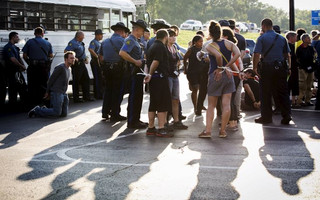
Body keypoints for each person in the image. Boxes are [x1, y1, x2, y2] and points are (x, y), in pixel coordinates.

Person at [199, 20, 240, 138]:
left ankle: (208, 131)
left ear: (210, 33)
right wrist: (227, 67)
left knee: (211, 104)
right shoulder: (228, 43)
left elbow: (217, 56)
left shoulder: (209, 45)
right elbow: (237, 54)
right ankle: (223, 131)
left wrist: (219, 67)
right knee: (226, 104)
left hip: (215, 74)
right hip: (228, 75)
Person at [253, 18, 292, 125]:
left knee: (265, 93)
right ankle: (286, 115)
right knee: (283, 92)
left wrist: (254, 68)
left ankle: (266, 117)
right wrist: (289, 68)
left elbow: (256, 54)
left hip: (267, 67)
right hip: (280, 67)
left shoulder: (262, 38)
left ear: (263, 26)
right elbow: (287, 55)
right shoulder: (281, 38)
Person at [119, 19, 149, 129]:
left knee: (138, 97)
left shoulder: (136, 40)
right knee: (134, 97)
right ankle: (132, 121)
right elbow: (122, 52)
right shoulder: (130, 40)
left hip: (138, 72)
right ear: (137, 30)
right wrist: (135, 61)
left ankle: (136, 119)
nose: (143, 33)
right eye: (142, 31)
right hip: (133, 72)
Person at [144, 29, 173, 137]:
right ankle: (161, 128)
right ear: (165, 37)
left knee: (153, 103)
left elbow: (148, 61)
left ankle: (151, 127)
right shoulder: (161, 47)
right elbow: (156, 61)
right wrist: (150, 74)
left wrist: (148, 75)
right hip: (160, 78)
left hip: (154, 79)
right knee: (162, 103)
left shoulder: (151, 46)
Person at [28, 51, 75, 118]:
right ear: (66, 59)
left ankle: (45, 110)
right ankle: (37, 110)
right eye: (71, 58)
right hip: (57, 92)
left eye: (73, 58)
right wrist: (47, 92)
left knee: (63, 114)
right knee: (56, 113)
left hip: (63, 93)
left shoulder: (69, 69)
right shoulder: (60, 68)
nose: (73, 59)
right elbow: (51, 80)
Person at [99, 22, 129, 121]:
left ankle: (105, 112)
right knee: (117, 91)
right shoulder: (122, 41)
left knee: (108, 90)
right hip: (118, 69)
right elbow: (127, 54)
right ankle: (115, 113)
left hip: (107, 68)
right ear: (122, 32)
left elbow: (101, 57)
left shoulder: (105, 41)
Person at [22, 27, 53, 106]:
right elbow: (51, 55)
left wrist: (29, 62)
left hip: (33, 67)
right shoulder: (47, 43)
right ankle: (44, 102)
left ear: (34, 34)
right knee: (44, 84)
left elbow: (24, 55)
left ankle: (33, 103)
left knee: (32, 85)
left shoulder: (29, 42)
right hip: (43, 67)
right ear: (43, 34)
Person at [222, 27, 244, 131]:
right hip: (236, 75)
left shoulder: (227, 46)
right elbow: (239, 61)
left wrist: (237, 71)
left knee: (228, 100)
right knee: (233, 100)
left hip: (232, 75)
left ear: (225, 36)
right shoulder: (234, 46)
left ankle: (231, 122)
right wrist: (241, 71)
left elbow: (231, 61)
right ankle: (233, 121)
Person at [166, 29, 188, 129]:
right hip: (167, 76)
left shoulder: (174, 47)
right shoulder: (164, 48)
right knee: (166, 99)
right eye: (171, 36)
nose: (174, 37)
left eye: (174, 36)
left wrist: (179, 64)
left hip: (175, 75)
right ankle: (165, 121)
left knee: (175, 98)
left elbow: (179, 58)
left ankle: (176, 120)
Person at [65, 31, 93, 103]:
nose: (83, 38)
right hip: (77, 64)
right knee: (76, 81)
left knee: (86, 79)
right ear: (78, 36)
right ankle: (76, 98)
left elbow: (83, 52)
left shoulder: (80, 43)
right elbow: (66, 51)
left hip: (82, 63)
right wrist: (74, 58)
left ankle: (87, 96)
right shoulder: (72, 43)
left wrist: (86, 58)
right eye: (82, 37)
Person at [3, 32, 27, 107]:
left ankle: (20, 104)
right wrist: (21, 66)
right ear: (13, 37)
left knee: (20, 87)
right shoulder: (8, 47)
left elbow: (18, 58)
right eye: (17, 37)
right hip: (12, 70)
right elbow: (12, 59)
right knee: (14, 88)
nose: (18, 38)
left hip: (17, 70)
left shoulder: (14, 47)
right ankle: (13, 105)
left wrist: (22, 65)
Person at [183, 35, 206, 115]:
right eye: (200, 41)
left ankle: (200, 105)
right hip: (192, 72)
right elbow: (185, 58)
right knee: (195, 89)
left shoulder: (203, 49)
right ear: (195, 42)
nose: (201, 43)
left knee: (202, 89)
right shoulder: (191, 50)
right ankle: (195, 107)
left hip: (201, 72)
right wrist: (185, 69)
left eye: (202, 41)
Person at [296, 33, 317, 107]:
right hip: (302, 69)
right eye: (308, 38)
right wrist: (302, 66)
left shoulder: (311, 48)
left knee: (310, 85)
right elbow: (297, 59)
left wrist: (312, 66)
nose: (309, 39)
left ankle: (308, 100)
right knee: (302, 85)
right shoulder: (299, 49)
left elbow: (314, 57)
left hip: (310, 68)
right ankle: (299, 101)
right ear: (304, 40)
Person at [88, 29, 104, 99]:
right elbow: (90, 49)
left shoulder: (99, 42)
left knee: (100, 78)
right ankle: (97, 95)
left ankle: (100, 93)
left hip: (98, 61)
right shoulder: (93, 42)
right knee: (97, 78)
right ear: (97, 35)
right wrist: (97, 56)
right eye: (101, 35)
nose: (102, 36)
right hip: (95, 61)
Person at [286, 31, 299, 108]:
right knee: (289, 84)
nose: (296, 38)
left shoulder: (294, 46)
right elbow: (289, 57)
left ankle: (294, 101)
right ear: (291, 37)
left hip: (294, 68)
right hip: (290, 68)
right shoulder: (287, 46)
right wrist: (289, 67)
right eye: (295, 37)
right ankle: (289, 101)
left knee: (294, 84)